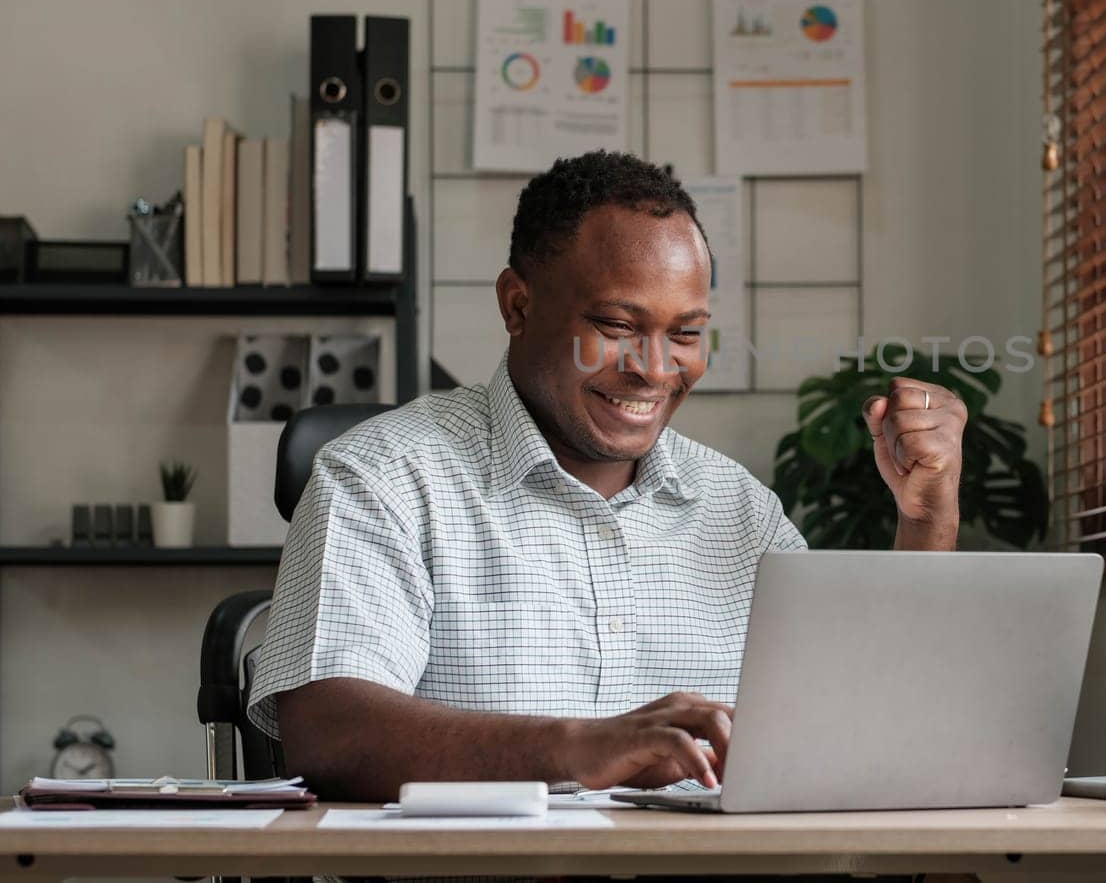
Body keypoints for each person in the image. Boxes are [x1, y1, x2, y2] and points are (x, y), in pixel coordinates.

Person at [247, 151, 965, 801]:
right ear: (517, 304)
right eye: (617, 327)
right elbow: (329, 731)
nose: (654, 368)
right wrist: (583, 748)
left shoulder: (740, 509)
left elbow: (859, 726)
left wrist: (926, 519)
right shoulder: (385, 477)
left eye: (685, 333)